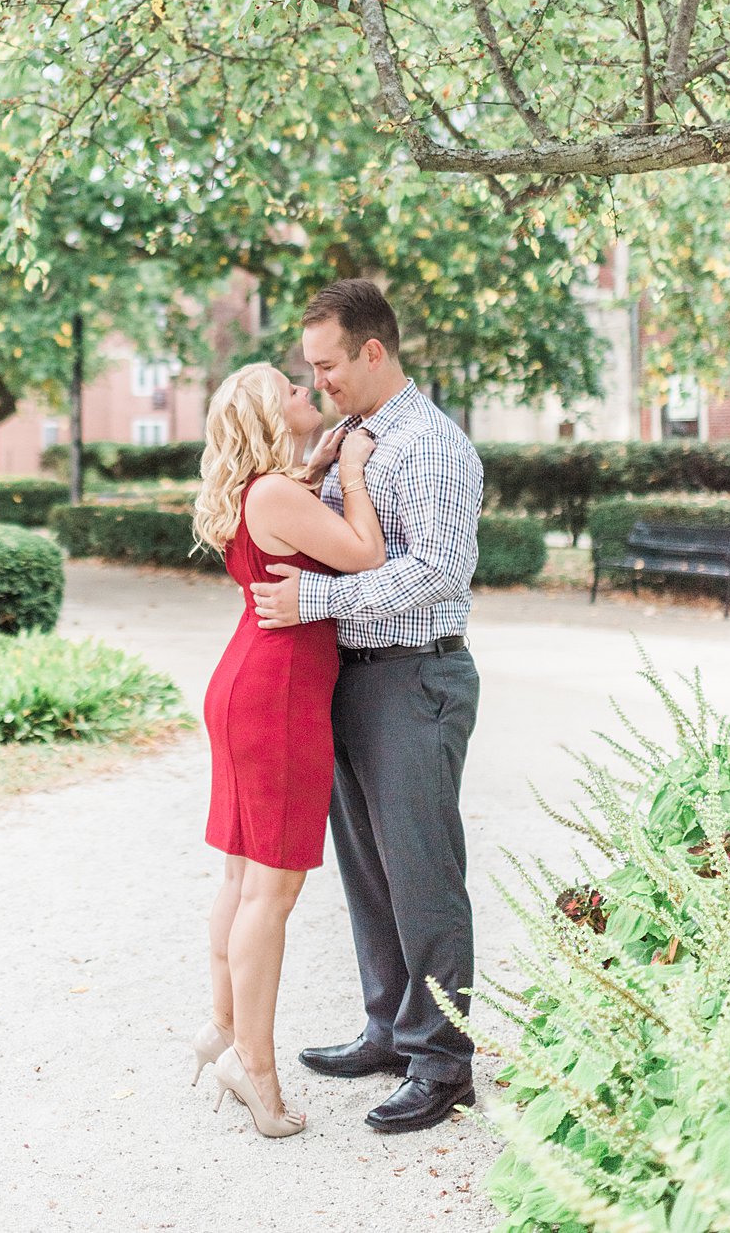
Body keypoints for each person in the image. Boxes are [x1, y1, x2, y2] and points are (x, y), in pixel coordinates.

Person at [251, 280, 483, 1137]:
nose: (319, 383)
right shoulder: (353, 436)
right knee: (368, 869)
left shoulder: (433, 445)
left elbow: (438, 573)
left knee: (423, 874)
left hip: (415, 676)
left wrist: (315, 602)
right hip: (351, 677)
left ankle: (442, 1062)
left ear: (373, 351)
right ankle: (390, 1029)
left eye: (328, 365)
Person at [190, 362, 385, 1139]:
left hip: (248, 683)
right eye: (293, 388)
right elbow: (365, 554)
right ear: (274, 412)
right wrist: (355, 469)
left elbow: (292, 523)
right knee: (272, 892)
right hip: (276, 697)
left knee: (243, 876)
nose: (309, 390)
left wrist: (318, 465)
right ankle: (254, 1067)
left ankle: (221, 1027)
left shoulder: (264, 488)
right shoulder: (276, 493)